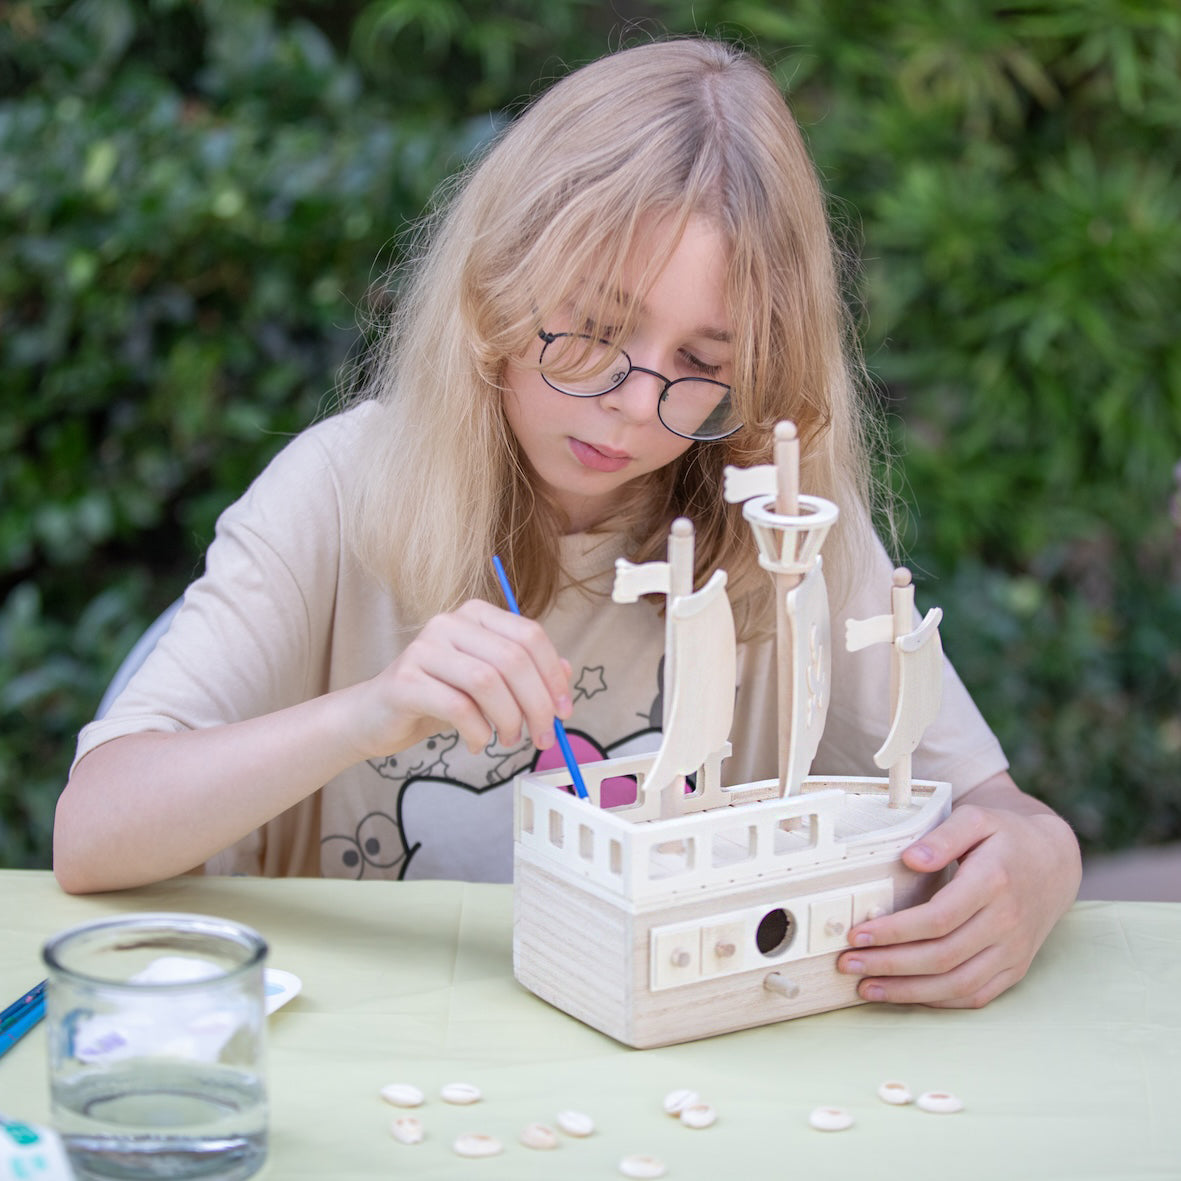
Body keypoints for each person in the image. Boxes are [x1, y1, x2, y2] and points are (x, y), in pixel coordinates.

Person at [54, 37, 1081, 1009]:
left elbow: (995, 807)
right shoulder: (337, 487)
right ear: (494, 291)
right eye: (592, 332)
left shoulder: (781, 517)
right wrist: (370, 711)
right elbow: (95, 829)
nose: (635, 405)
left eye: (701, 366)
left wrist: (1041, 861)